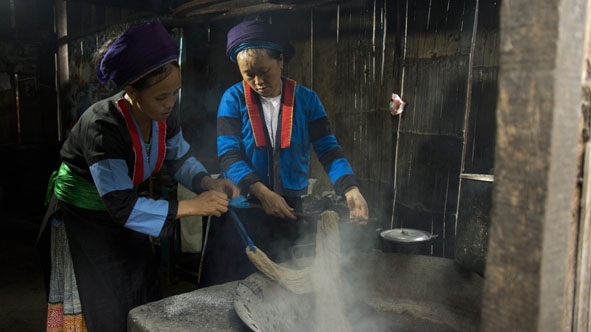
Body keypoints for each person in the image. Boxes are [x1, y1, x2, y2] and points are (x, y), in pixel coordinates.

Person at [38, 19, 239, 332]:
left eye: (175, 93)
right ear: (130, 91)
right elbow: (120, 205)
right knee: (104, 301)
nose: (171, 103)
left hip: (124, 209)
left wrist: (207, 182)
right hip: (86, 219)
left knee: (141, 282)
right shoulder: (102, 129)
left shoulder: (163, 117)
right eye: (162, 97)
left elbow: (180, 158)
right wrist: (192, 206)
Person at [198, 19, 369, 287]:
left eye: (264, 71)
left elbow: (328, 149)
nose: (257, 81)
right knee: (230, 287)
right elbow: (229, 156)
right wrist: (262, 193)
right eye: (247, 74)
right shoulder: (233, 99)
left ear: (281, 60)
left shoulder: (307, 100)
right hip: (243, 211)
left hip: (288, 210)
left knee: (282, 289)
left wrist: (350, 189)